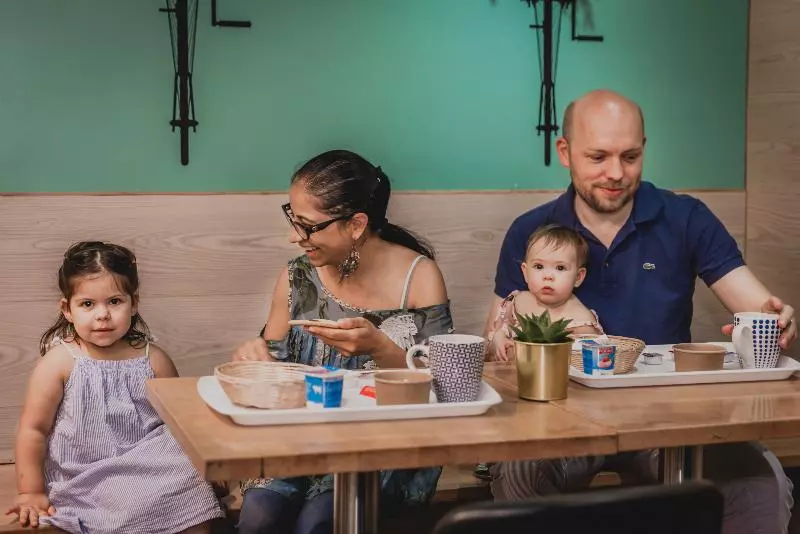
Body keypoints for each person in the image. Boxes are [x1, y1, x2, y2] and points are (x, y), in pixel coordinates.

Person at [485, 89, 797, 534]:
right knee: (516, 471)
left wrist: (778, 320)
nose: (616, 173)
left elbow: (757, 305)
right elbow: (495, 344)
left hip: (672, 418)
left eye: (630, 157)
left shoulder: (686, 217)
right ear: (565, 152)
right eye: (598, 157)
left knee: (761, 484)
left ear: (644, 149)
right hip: (560, 420)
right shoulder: (531, 231)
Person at [231, 149, 454, 534]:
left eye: (307, 226)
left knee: (319, 521)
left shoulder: (418, 277)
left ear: (356, 224)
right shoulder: (297, 277)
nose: (293, 236)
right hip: (301, 440)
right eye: (293, 219)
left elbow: (446, 384)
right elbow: (273, 363)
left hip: (386, 445)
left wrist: (380, 348)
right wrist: (255, 360)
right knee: (259, 515)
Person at [8, 241, 223, 533]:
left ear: (133, 303)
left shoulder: (153, 359)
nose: (102, 315)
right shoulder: (60, 362)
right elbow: (33, 429)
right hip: (85, 472)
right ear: (67, 309)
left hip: (153, 466)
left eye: (114, 301)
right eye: (87, 304)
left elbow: (181, 423)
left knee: (193, 496)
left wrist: (205, 465)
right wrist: (30, 491)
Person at [486, 223, 603, 361]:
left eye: (560, 268)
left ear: (578, 277)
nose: (548, 276)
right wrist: (498, 340)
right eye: (539, 266)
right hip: (512, 373)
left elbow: (590, 362)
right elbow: (492, 340)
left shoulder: (582, 322)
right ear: (525, 272)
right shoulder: (517, 302)